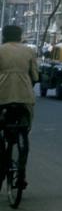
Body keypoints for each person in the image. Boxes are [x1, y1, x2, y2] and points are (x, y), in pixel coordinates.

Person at [0, 25, 38, 190]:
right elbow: (35, 76)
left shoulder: (0, 50)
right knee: (25, 129)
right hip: (24, 97)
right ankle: (21, 173)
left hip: (2, 96)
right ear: (20, 36)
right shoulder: (29, 51)